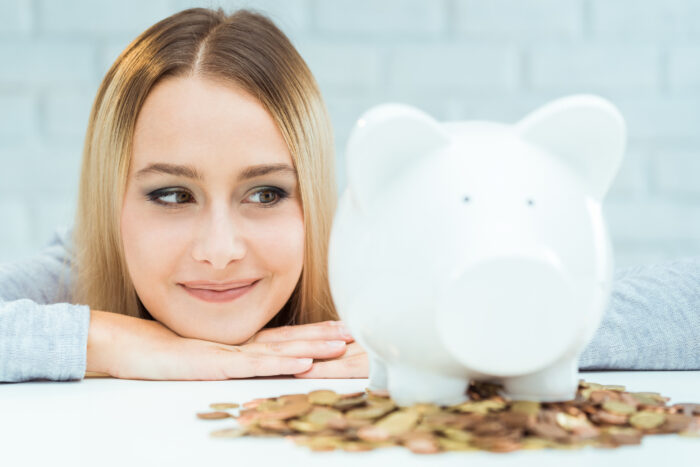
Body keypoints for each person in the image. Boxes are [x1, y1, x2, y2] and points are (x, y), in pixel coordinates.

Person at [1, 8, 699, 384]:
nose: (218, 249)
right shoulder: (79, 274)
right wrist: (115, 341)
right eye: (172, 195)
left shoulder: (381, 277)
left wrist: (444, 338)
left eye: (268, 192)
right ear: (110, 199)